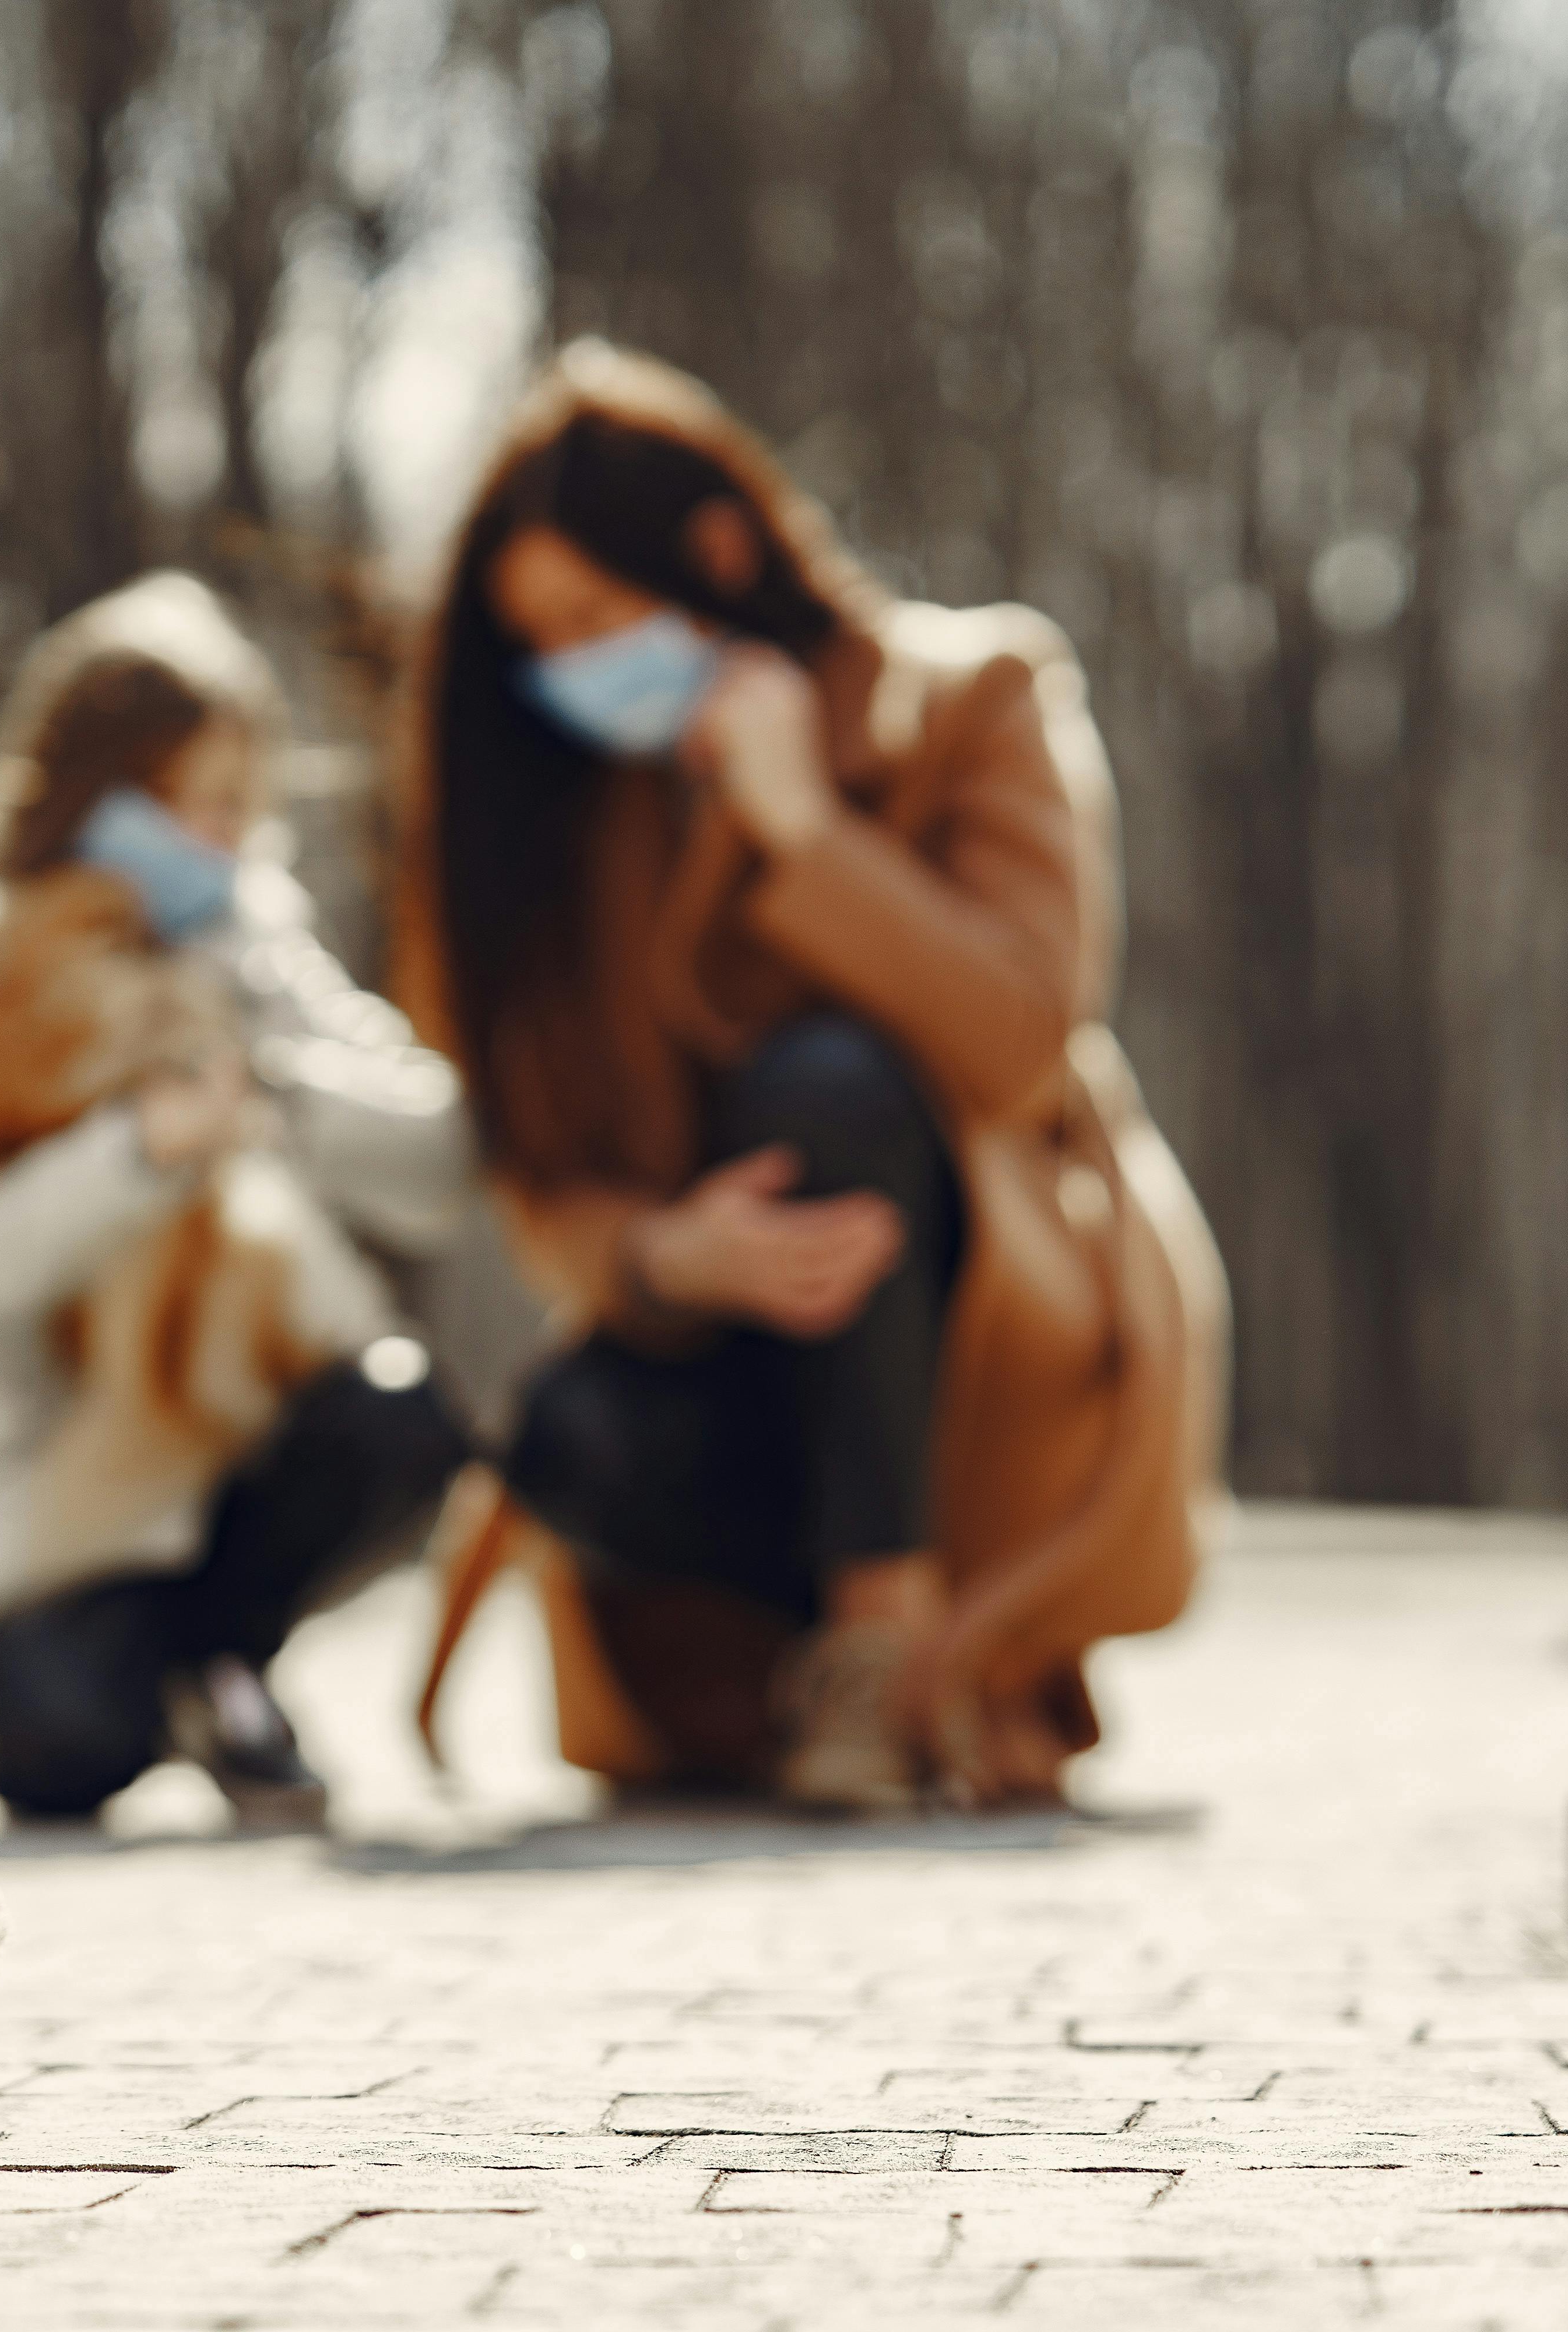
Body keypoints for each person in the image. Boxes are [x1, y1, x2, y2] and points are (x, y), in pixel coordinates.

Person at [396, 343, 1229, 1812]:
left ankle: (888, 1629)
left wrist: (802, 832)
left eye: (599, 615)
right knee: (572, 1430)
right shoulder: (570, 822)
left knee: (826, 1079)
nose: (576, 672)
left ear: (717, 548)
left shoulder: (979, 689)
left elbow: (1030, 1035)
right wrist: (669, 1253)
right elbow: (540, 1170)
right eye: (545, 644)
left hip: (980, 1350)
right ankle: (770, 1683)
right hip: (721, 1379)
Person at [0, 573, 473, 1821]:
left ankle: (224, 1649)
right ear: (89, 789)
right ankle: (142, 1666)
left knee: (406, 1421)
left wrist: (265, 1079)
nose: (212, 836)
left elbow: (438, 1156)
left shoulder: (254, 944)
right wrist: (135, 1151)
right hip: (50, 1479)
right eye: (177, 800)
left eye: (236, 803)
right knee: (66, 1752)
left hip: (233, 1434)